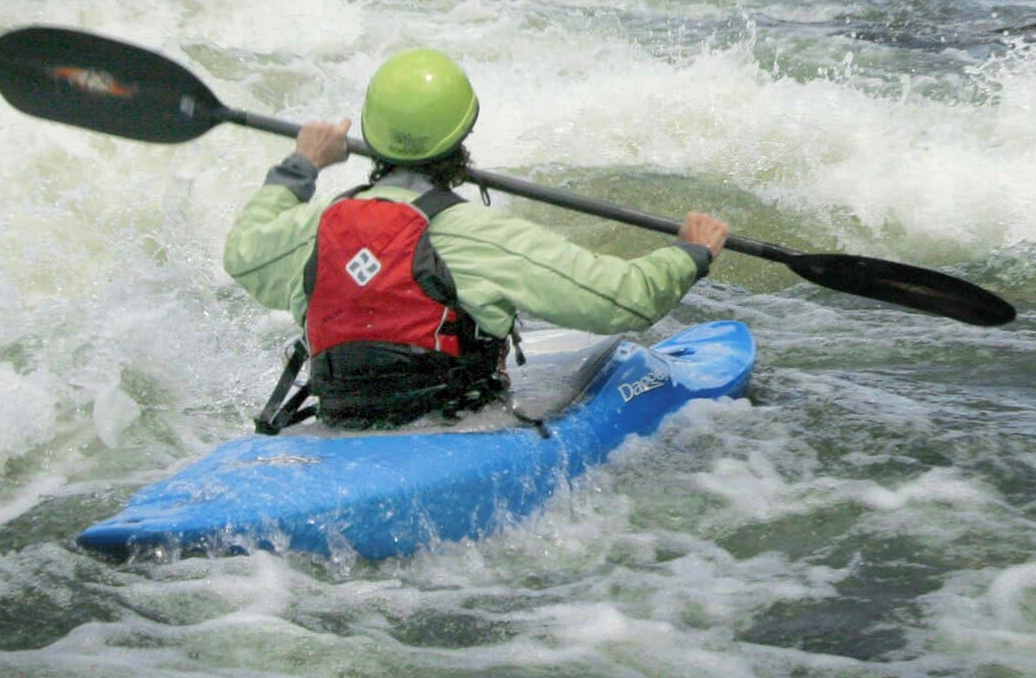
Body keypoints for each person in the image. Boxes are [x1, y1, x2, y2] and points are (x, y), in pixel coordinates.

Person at [224, 49, 729, 430]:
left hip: (340, 425)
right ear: (461, 142)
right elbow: (625, 301)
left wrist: (304, 162)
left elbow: (242, 253)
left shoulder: (317, 228)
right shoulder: (481, 236)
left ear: (372, 140)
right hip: (451, 426)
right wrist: (690, 252)